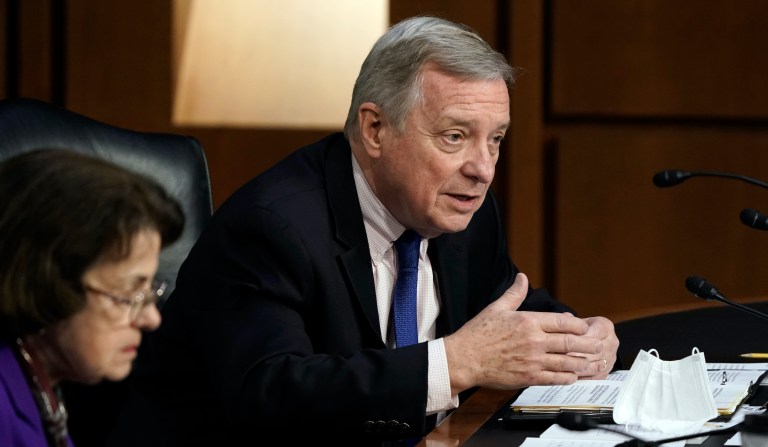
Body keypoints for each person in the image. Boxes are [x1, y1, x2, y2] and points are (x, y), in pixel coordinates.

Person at [112, 15, 619, 446]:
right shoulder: (273, 227)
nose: (483, 168)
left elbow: (502, 312)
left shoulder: (463, 208)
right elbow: (269, 393)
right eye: (456, 136)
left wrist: (581, 337)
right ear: (375, 129)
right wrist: (454, 363)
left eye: (496, 140)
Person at [0, 149, 185, 447]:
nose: (152, 318)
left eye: (150, 291)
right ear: (49, 283)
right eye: (129, 292)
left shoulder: (39, 387)